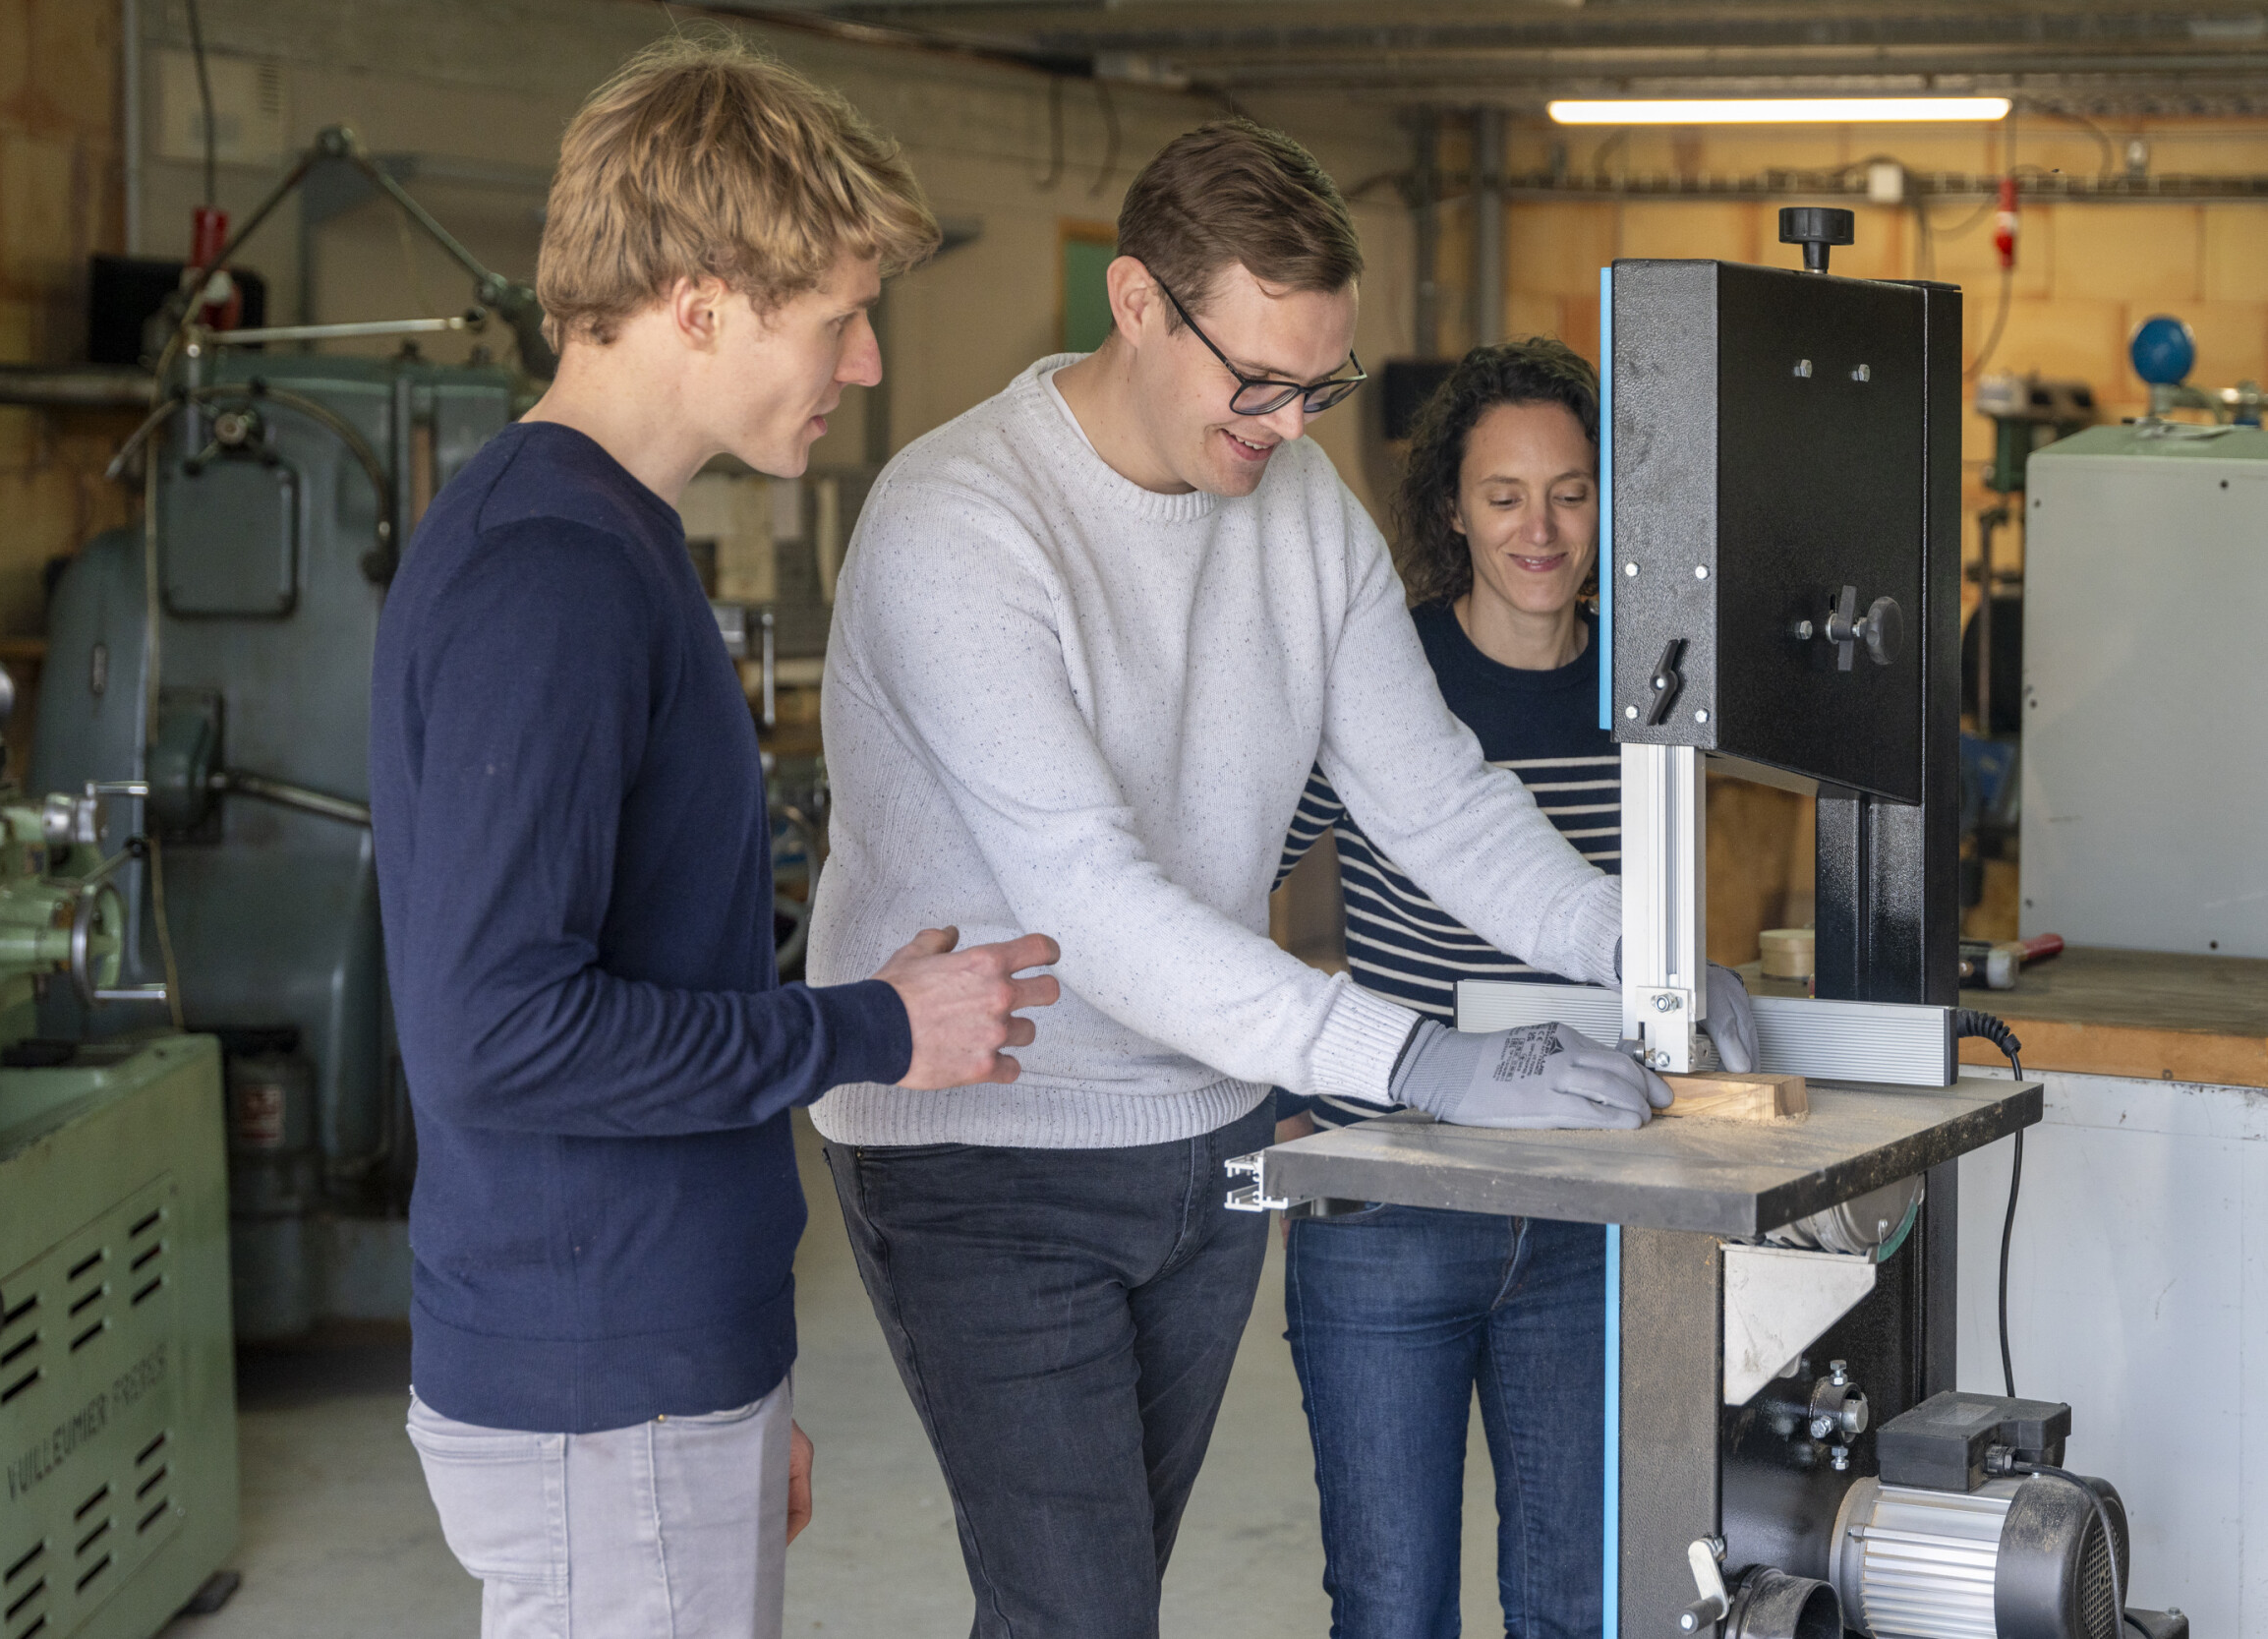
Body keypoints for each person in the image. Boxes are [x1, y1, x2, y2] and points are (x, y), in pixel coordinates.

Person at [807, 121, 1755, 1638]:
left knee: (1092, 1604)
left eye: (1320, 387)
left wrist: (1639, 951)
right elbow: (1091, 903)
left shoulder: (1297, 503)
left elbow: (1436, 796)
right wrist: (1417, 1058)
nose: (1285, 425)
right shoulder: (961, 522)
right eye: (1254, 380)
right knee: (1082, 1614)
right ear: (1134, 301)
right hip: (983, 1146)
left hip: (1201, 1136)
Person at [369, 36, 1061, 1639]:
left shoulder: (597, 537)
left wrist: (732, 1388)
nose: (869, 362)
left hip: (644, 1372)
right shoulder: (553, 577)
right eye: (837, 318)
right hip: (599, 1379)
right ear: (700, 304)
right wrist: (874, 1028)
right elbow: (498, 1037)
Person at [1275, 338, 1619, 1639]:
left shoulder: (1655, 691)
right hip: (1395, 1213)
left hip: (1592, 1213)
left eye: (1571, 491)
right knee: (1392, 1604)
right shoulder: (1387, 679)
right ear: (1452, 509)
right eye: (1504, 494)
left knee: (1576, 1601)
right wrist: (1282, 1093)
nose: (1541, 528)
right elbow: (1230, 875)